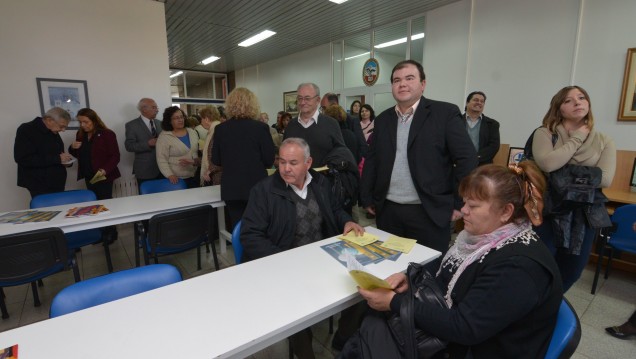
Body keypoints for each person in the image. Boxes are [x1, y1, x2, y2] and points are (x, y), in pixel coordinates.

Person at [342, 162, 563, 359]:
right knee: (375, 324)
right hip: (461, 337)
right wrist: (411, 278)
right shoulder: (481, 239)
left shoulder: (519, 268)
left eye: (473, 206)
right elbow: (450, 269)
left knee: (377, 324)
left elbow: (464, 328)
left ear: (506, 212)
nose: (463, 211)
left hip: (478, 349)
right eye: (464, 202)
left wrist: (395, 302)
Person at [241, 137, 364, 359]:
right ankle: (305, 354)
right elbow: (250, 236)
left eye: (293, 163)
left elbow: (335, 209)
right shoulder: (264, 191)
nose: (286, 169)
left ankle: (342, 340)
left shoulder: (320, 182)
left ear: (308, 163)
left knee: (363, 288)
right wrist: (285, 260)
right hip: (283, 264)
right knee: (297, 310)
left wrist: (346, 220)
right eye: (281, 162)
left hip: (320, 258)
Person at [360, 60, 477, 254]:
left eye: (409, 78)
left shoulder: (444, 113)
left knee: (427, 270)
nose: (402, 84)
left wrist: (458, 202)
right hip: (388, 211)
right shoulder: (382, 120)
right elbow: (372, 160)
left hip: (429, 211)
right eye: (397, 80)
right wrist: (367, 197)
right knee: (390, 266)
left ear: (423, 84)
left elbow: (467, 159)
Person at [532, 85, 616, 292]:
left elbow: (605, 180)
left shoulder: (604, 140)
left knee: (572, 270)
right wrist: (577, 138)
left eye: (581, 97)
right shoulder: (545, 133)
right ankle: (528, 307)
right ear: (559, 108)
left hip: (585, 213)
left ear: (588, 103)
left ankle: (549, 306)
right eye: (568, 100)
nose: (577, 102)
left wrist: (561, 174)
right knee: (538, 265)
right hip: (549, 210)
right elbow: (548, 165)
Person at [211, 87, 275, 229]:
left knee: (238, 228)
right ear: (253, 105)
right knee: (259, 226)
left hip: (231, 187)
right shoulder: (261, 128)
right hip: (257, 186)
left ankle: (240, 252)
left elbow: (215, 160)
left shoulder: (221, 129)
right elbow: (269, 160)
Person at [69, 108, 121, 242]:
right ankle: (100, 232)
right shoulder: (80, 135)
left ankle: (110, 232)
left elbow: (115, 156)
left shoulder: (107, 134)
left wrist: (105, 170)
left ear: (94, 120)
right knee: (94, 204)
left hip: (104, 175)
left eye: (86, 122)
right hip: (88, 175)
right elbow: (77, 154)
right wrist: (72, 147)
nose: (83, 125)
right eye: (80, 122)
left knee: (105, 203)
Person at [284, 84, 351, 168]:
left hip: (324, 178)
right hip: (295, 179)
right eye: (300, 98)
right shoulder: (291, 125)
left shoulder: (331, 124)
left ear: (318, 100)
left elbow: (341, 151)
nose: (303, 102)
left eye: (307, 98)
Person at [14, 107, 73, 198]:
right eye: (62, 126)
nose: (63, 130)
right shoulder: (26, 129)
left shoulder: (53, 130)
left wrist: (66, 161)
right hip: (38, 182)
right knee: (47, 211)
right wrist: (57, 159)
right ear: (49, 120)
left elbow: (57, 153)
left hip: (57, 181)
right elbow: (23, 158)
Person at [156, 106, 200, 188]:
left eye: (181, 117)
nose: (180, 120)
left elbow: (195, 152)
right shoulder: (164, 136)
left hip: (194, 175)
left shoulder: (192, 132)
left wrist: (196, 161)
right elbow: (161, 159)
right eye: (176, 118)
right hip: (176, 179)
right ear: (169, 121)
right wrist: (170, 175)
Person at [125, 98, 163, 192]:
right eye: (154, 107)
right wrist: (148, 144)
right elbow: (129, 146)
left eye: (156, 107)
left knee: (163, 197)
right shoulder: (131, 125)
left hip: (163, 168)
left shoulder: (160, 123)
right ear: (144, 109)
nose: (157, 110)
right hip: (144, 170)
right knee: (147, 200)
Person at [321, 92, 368, 159]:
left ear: (334, 104)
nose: (323, 111)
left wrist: (354, 163)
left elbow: (363, 146)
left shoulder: (352, 120)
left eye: (324, 108)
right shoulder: (323, 122)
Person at [463, 91, 500, 166]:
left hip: (482, 166)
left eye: (482, 101)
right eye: (476, 100)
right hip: (460, 165)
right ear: (467, 103)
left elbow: (494, 146)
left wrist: (475, 158)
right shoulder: (455, 121)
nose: (479, 103)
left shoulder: (492, 124)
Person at [199, 106, 222, 186]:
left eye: (201, 119)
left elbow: (220, 155)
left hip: (216, 176)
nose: (200, 122)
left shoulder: (216, 131)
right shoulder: (214, 130)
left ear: (206, 119)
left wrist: (209, 171)